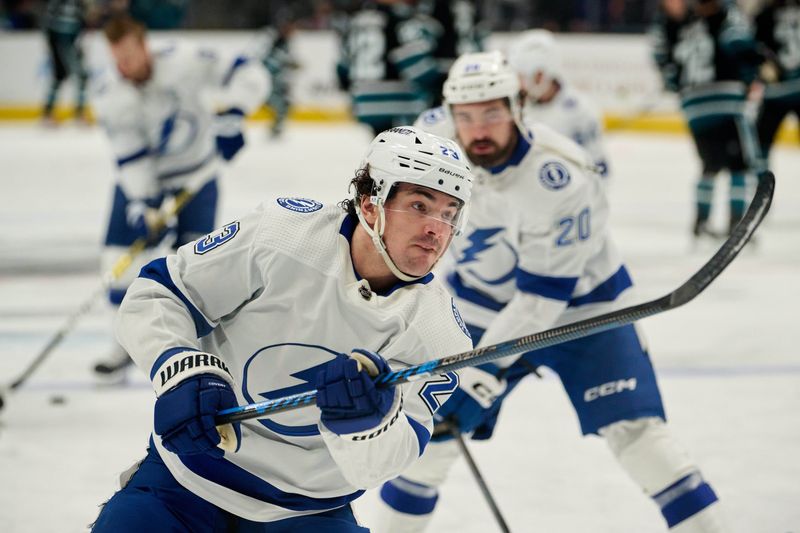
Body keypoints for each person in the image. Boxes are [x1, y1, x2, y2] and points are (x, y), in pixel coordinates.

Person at [376, 51, 725, 532]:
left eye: (493, 114)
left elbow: (542, 298)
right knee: (427, 441)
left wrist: (483, 371)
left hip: (588, 313)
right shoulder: (431, 142)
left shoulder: (560, 176)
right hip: (479, 307)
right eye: (467, 116)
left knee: (643, 442)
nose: (478, 130)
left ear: (520, 106)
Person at [90, 125, 475, 532]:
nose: (437, 230)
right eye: (420, 206)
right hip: (184, 484)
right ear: (370, 203)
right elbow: (157, 293)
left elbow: (384, 463)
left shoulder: (440, 332)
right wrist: (182, 369)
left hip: (308, 514)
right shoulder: (283, 235)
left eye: (450, 214)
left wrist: (369, 423)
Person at [90, 14, 269, 377]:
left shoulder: (186, 60)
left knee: (194, 268)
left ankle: (189, 348)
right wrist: (143, 202)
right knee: (116, 262)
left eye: (129, 56)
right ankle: (123, 342)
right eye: (116, 58)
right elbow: (129, 154)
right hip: (141, 182)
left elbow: (249, 72)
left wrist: (233, 114)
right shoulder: (109, 92)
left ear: (144, 46)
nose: (123, 66)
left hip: (197, 177)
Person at [651, 0, 764, 239]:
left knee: (709, 167)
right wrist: (753, 73)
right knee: (739, 166)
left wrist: (674, 84)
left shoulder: (677, 25)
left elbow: (661, 56)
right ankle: (738, 223)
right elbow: (742, 46)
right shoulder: (726, 16)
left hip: (694, 106)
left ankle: (700, 223)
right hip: (726, 99)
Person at [507, 28, 611, 178]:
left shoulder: (580, 112)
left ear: (541, 75)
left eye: (523, 77)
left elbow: (598, 170)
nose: (520, 84)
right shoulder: (513, 107)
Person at [336, 0, 440, 135]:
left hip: (365, 101)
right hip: (400, 101)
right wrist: (436, 85)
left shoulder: (355, 20)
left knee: (383, 146)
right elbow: (414, 61)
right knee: (405, 149)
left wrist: (350, 87)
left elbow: (344, 64)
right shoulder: (401, 16)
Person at [752, 0, 800, 159]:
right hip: (777, 91)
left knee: (759, 145)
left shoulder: (763, 15)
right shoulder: (764, 15)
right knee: (759, 143)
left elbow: (756, 52)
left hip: (777, 91)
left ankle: (760, 175)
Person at [417, 0, 487, 106]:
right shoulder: (430, 5)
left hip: (469, 71)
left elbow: (480, 35)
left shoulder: (472, 5)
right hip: (441, 75)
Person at [41, 0, 92, 124]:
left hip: (70, 40)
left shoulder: (78, 4)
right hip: (62, 40)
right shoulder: (59, 4)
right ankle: (76, 114)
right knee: (68, 76)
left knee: (64, 77)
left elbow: (81, 20)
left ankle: (50, 113)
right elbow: (50, 22)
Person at [255, 14, 299, 138]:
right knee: (283, 105)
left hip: (275, 85)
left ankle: (276, 130)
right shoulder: (277, 43)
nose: (293, 32)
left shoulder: (283, 43)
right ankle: (275, 130)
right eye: (290, 28)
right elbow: (270, 64)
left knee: (285, 105)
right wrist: (287, 64)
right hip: (267, 85)